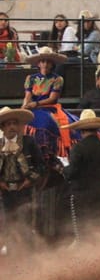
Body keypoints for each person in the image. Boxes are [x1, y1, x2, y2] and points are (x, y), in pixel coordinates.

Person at [60, 109, 100, 243]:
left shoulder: (78, 148)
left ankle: (86, 259)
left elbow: (72, 173)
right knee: (98, 229)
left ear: (81, 130)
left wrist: (63, 169)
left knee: (82, 231)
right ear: (97, 129)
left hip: (81, 196)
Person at [0, 107, 44, 255]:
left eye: (15, 123)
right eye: (8, 123)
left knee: (26, 223)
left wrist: (30, 181)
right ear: (3, 127)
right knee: (9, 224)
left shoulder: (29, 142)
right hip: (5, 193)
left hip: (25, 190)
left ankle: (28, 257)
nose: (12, 126)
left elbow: (41, 166)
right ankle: (13, 256)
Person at [21, 47, 72, 158]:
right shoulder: (31, 78)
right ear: (38, 63)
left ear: (52, 64)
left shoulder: (57, 79)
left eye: (48, 62)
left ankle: (49, 151)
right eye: (43, 61)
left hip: (49, 107)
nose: (45, 64)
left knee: (46, 122)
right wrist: (24, 106)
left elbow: (52, 98)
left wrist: (37, 104)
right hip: (32, 107)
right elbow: (28, 96)